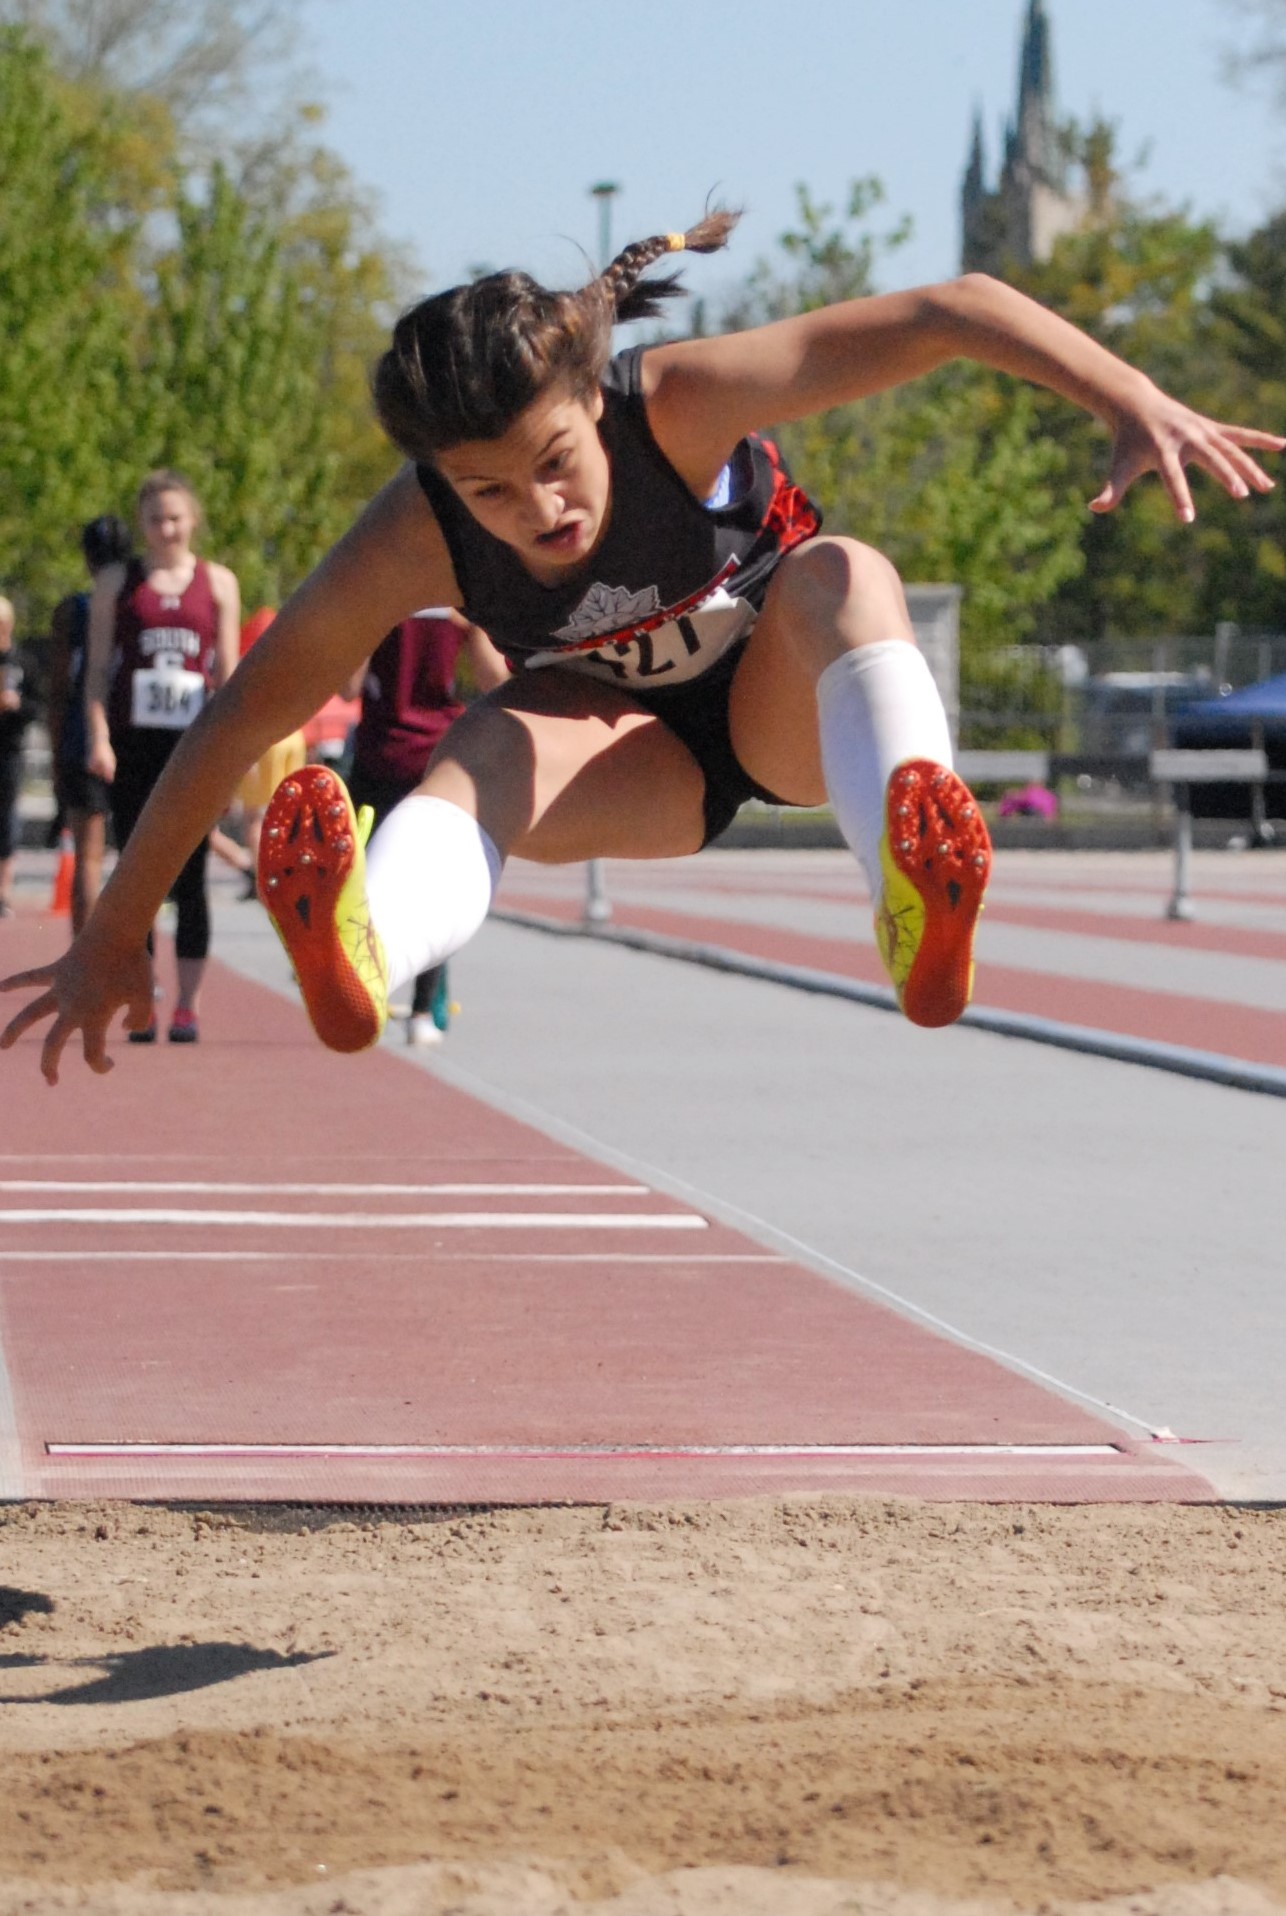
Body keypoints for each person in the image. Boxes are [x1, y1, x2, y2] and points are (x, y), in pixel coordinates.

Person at [1, 211, 1280, 1082]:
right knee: (487, 741)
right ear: (440, 479)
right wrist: (116, 926)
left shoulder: (676, 401)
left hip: (781, 707)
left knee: (843, 573)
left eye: (554, 465)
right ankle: (367, 946)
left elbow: (951, 308)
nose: (537, 515)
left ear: (591, 400)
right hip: (633, 763)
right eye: (489, 494)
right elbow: (236, 714)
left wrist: (1128, 394)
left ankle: (904, 862)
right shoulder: (414, 531)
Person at [82, 470, 240, 1044]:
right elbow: (97, 673)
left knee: (192, 878)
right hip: (133, 746)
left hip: (192, 749)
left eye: (174, 518)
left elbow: (228, 678)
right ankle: (141, 998)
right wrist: (98, 737)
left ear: (192, 519)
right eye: (154, 519)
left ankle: (188, 1006)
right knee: (137, 878)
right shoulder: (116, 583)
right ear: (142, 525)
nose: (165, 529)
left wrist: (229, 757)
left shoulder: (218, 582)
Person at [345, 607, 507, 1044]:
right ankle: (416, 1009)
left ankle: (379, 997)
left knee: (373, 887)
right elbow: (496, 681)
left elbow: (348, 687)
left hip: (395, 757)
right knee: (423, 890)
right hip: (424, 757)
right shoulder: (455, 605)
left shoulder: (387, 596)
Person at [46, 517, 135, 934]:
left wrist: (55, 751)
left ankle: (83, 958)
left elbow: (59, 690)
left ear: (86, 559)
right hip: (133, 738)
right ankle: (132, 959)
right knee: (138, 862)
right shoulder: (139, 603)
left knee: (89, 857)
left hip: (83, 741)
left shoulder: (73, 611)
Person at [0, 595, 39, 919]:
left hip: (10, 748)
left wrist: (17, 705)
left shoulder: (22, 661)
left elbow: (36, 707)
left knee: (6, 819)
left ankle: (4, 890)